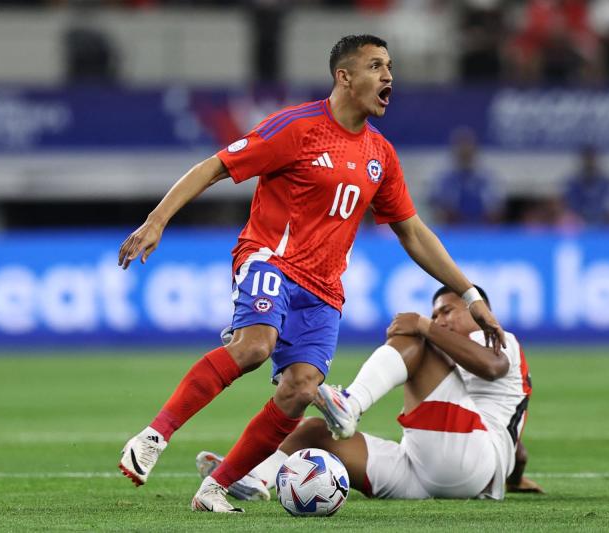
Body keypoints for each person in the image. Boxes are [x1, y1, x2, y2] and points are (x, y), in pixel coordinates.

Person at [116, 34, 506, 514]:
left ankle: (215, 488)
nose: (389, 77)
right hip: (269, 261)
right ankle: (155, 436)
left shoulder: (380, 155)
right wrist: (157, 221)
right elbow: (215, 166)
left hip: (324, 292)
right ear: (345, 77)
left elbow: (413, 232)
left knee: (300, 389)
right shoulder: (297, 128)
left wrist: (469, 294)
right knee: (255, 347)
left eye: (390, 67)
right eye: (376, 66)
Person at [197, 285, 540, 502]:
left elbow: (493, 366)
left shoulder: (497, 337)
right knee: (314, 432)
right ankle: (257, 477)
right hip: (431, 471)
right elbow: (517, 447)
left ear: (480, 312)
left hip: (467, 459)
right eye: (435, 313)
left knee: (417, 338)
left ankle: (351, 403)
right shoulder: (461, 356)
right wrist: (514, 476)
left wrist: (424, 326)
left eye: (447, 311)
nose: (439, 319)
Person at [429, 127, 504, 225]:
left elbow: (496, 209)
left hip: (483, 230)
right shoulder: (446, 180)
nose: (465, 153)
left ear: (474, 152)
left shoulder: (485, 179)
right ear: (455, 152)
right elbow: (439, 209)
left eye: (468, 151)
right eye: (462, 151)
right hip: (453, 231)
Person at [561, 145, 609, 225]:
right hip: (580, 225)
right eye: (587, 159)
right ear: (582, 161)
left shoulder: (608, 183)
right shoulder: (572, 183)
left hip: (605, 226)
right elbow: (568, 207)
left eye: (592, 159)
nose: (590, 162)